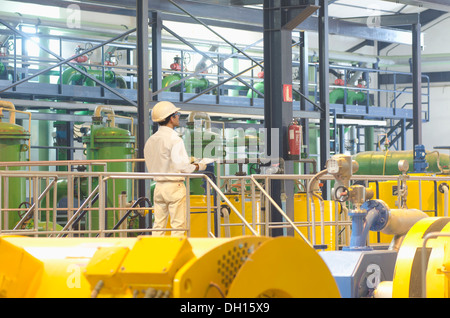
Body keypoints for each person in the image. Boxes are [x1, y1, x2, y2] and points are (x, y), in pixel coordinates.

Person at [144, 101, 208, 237]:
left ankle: (156, 255)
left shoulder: (151, 140)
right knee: (178, 226)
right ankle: (176, 255)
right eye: (177, 114)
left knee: (158, 226)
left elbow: (153, 162)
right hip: (174, 186)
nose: (179, 116)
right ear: (171, 118)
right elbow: (184, 168)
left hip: (158, 186)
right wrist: (199, 165)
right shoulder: (175, 139)